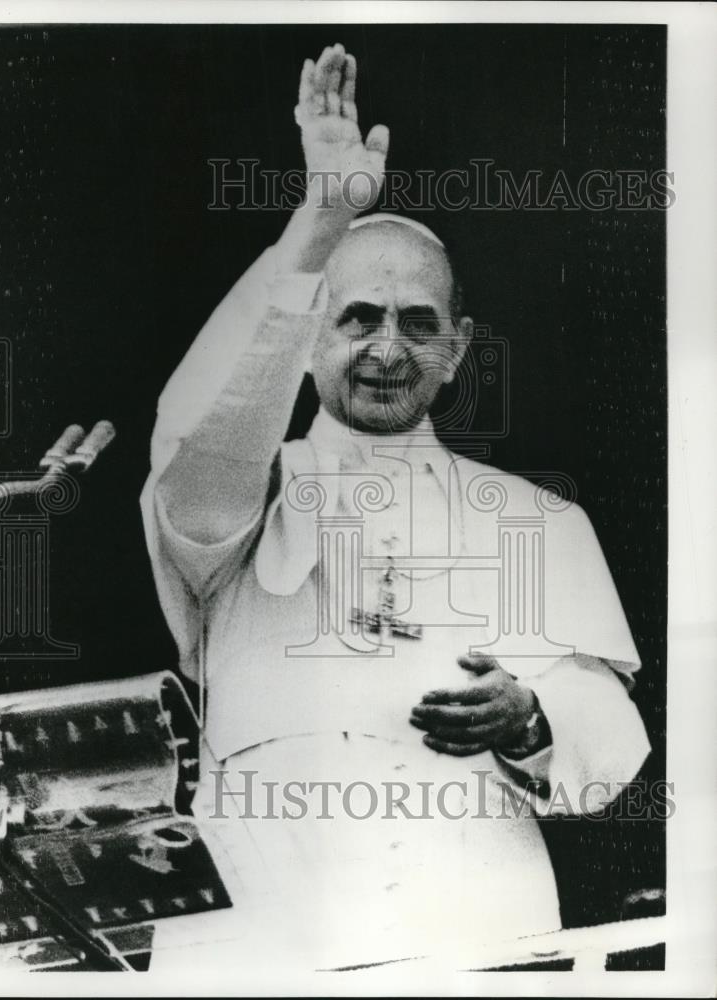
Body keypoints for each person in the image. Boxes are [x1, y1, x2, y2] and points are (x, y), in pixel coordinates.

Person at [141, 44, 650, 967]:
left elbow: (610, 730)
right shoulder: (249, 488)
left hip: (469, 900)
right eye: (357, 317)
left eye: (418, 324)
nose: (387, 346)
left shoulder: (536, 520)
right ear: (304, 339)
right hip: (265, 903)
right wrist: (321, 218)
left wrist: (532, 717)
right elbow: (197, 434)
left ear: (456, 351)